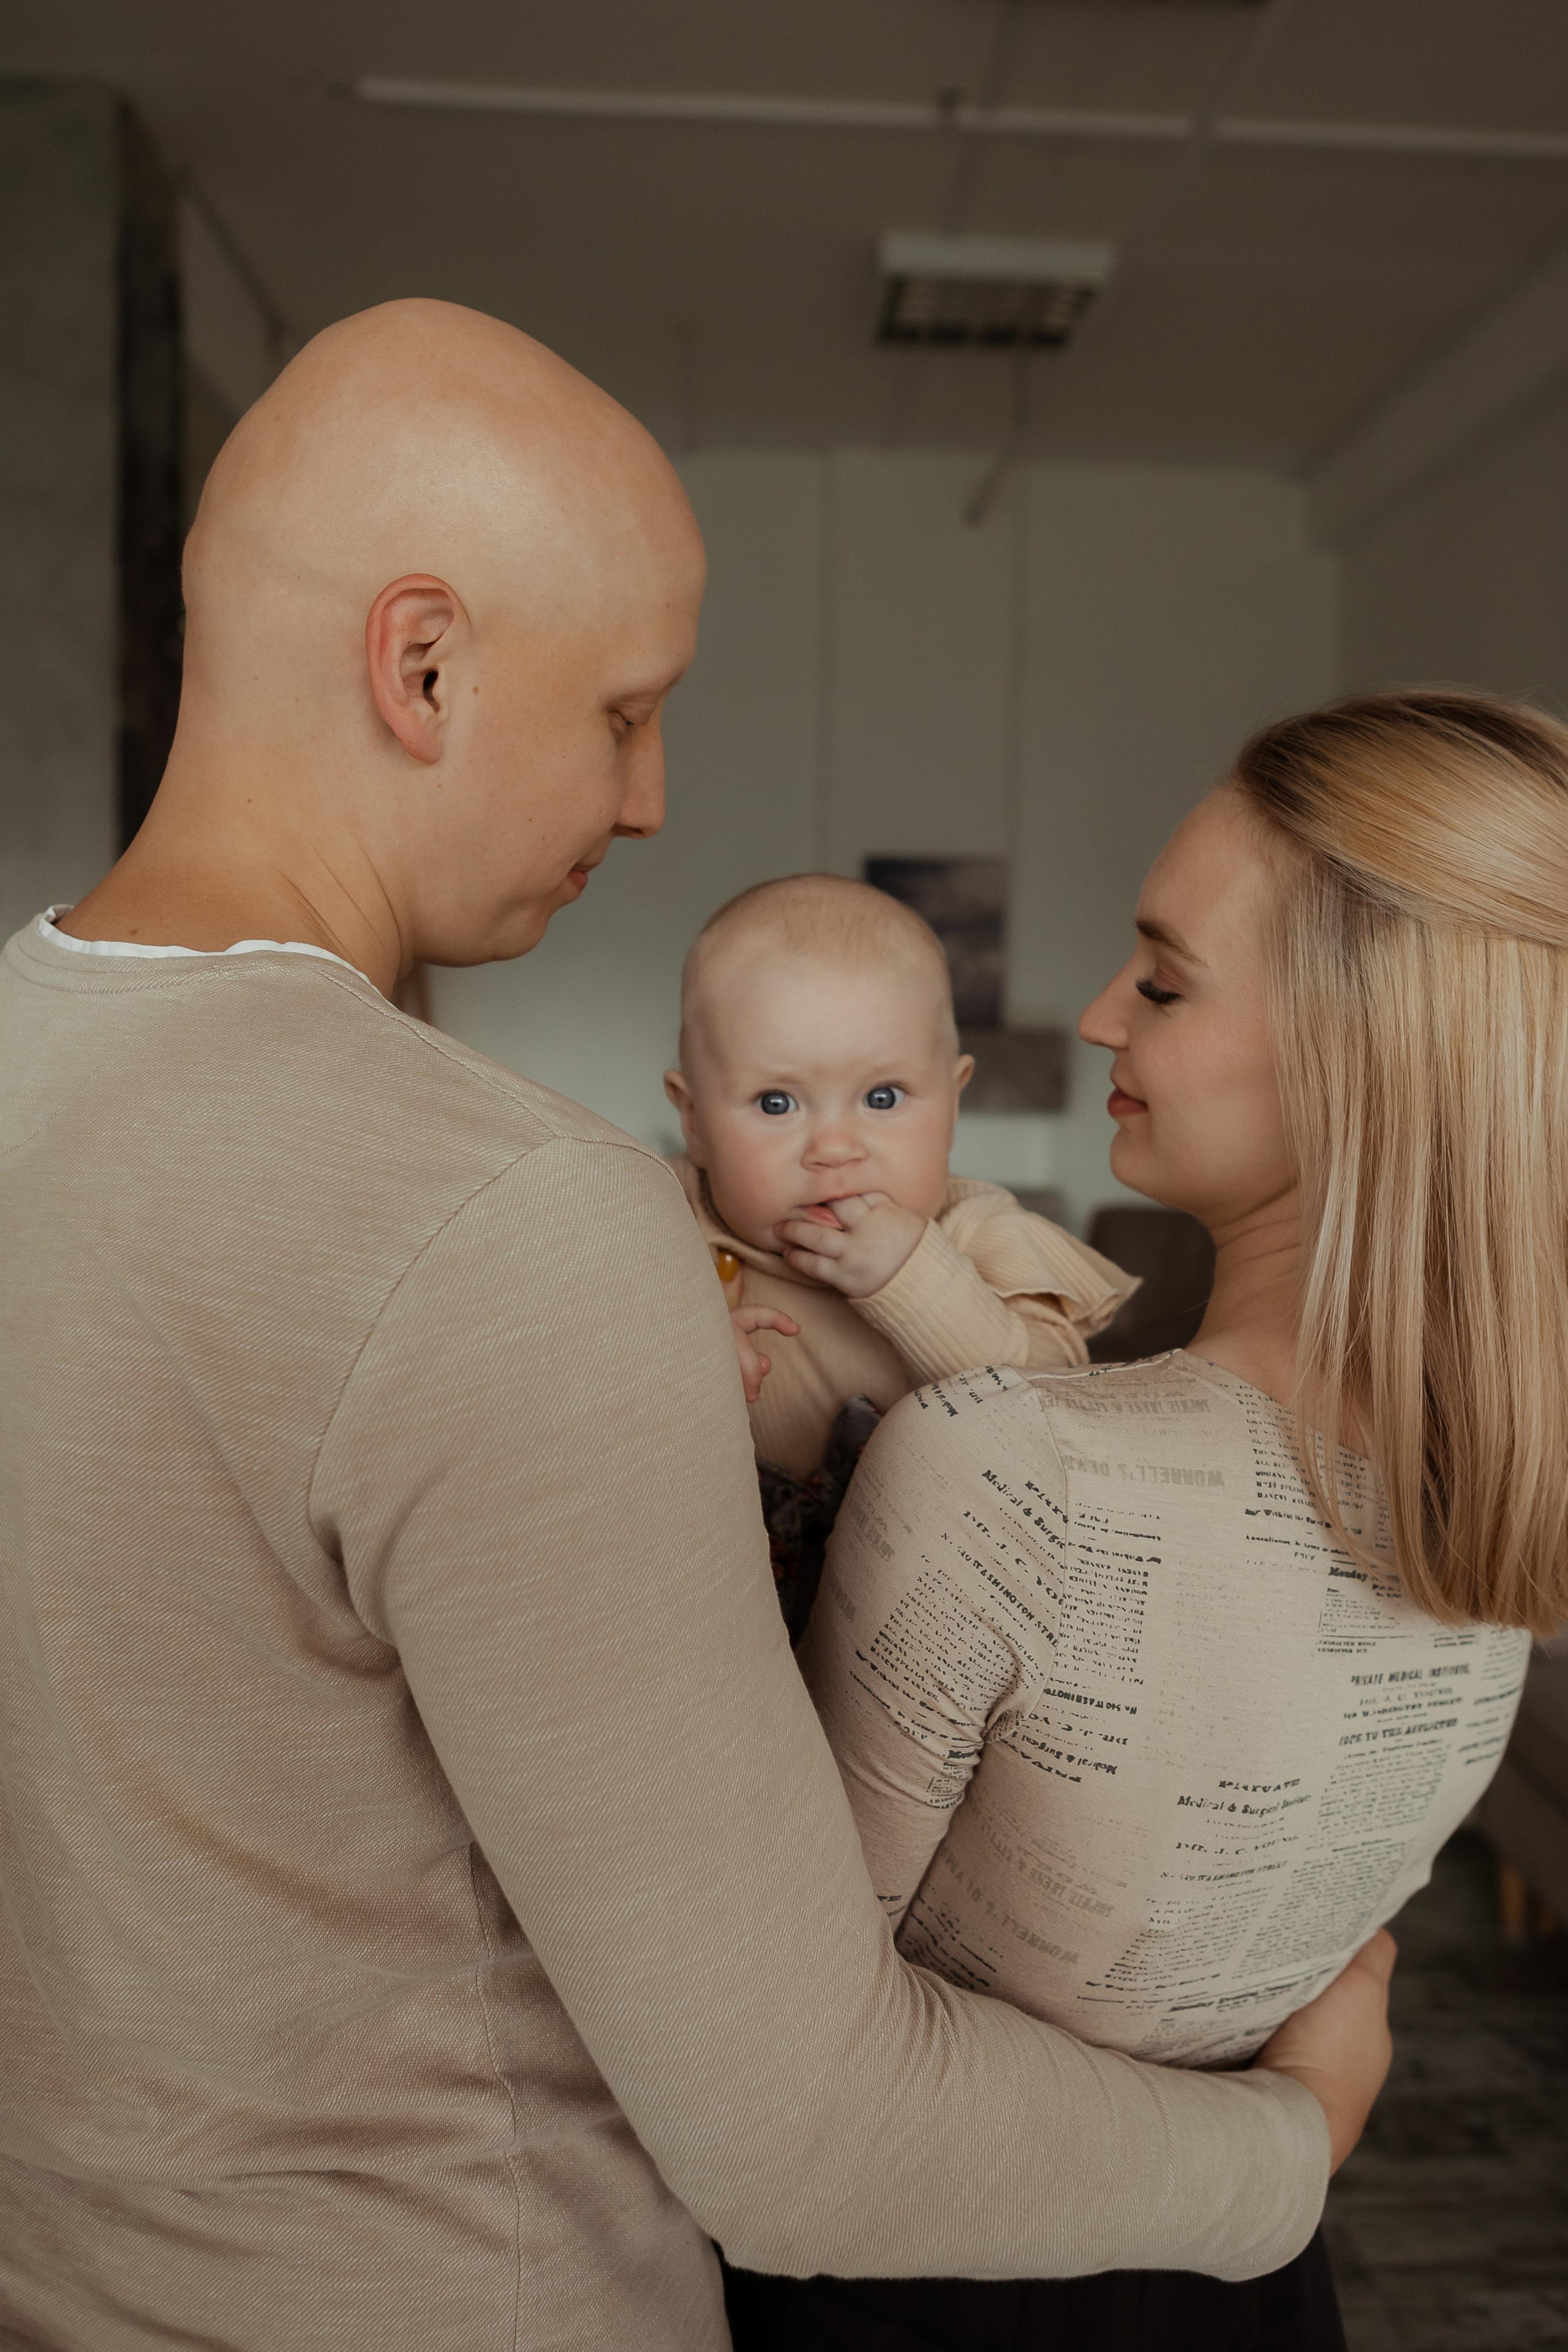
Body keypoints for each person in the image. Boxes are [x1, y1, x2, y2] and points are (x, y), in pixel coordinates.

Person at [0, 301, 1392, 2352]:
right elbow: (804, 2133)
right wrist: (1287, 2149)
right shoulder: (507, 1216)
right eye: (626, 712)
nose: (651, 801)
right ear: (426, 664)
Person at [731, 689, 1559, 2352]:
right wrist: (1295, 2132)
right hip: (1242, 2293)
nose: (1102, 1016)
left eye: (1165, 980)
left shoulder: (1011, 1469)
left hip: (917, 2300)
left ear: (1362, 1050)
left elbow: (782, 2095)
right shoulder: (1503, 1547)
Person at [664, 872, 1134, 1633]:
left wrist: (915, 1281)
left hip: (925, 1618)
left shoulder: (976, 1233)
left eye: (882, 1098)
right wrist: (674, 1355)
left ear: (952, 1100)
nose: (835, 1149)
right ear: (692, 1119)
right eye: (776, 1103)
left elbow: (1059, 1412)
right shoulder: (659, 1224)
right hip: (721, 1619)